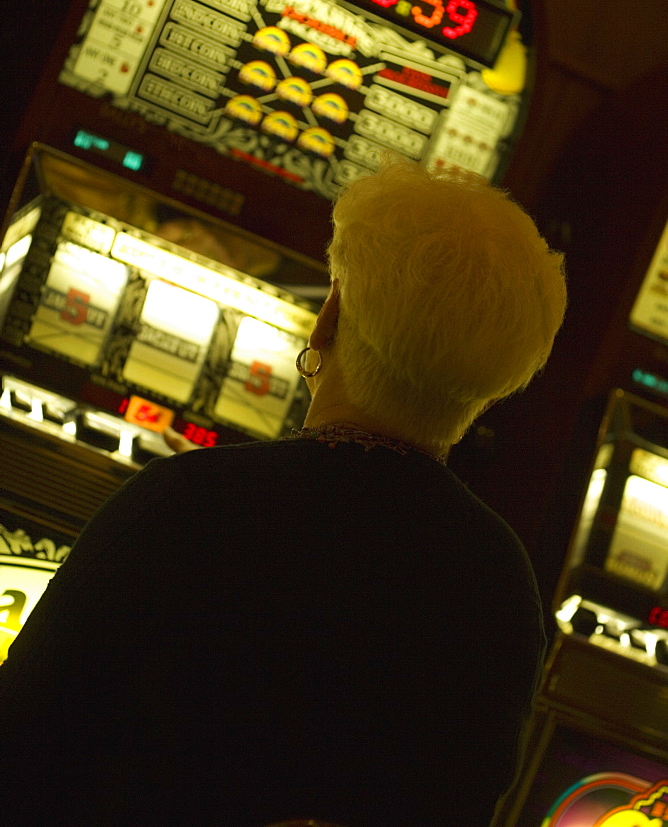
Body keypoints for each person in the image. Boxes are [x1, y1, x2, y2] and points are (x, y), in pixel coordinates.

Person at [0, 157, 566, 827]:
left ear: (326, 320)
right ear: (499, 381)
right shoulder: (501, 583)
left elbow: (25, 745)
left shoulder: (187, 501)